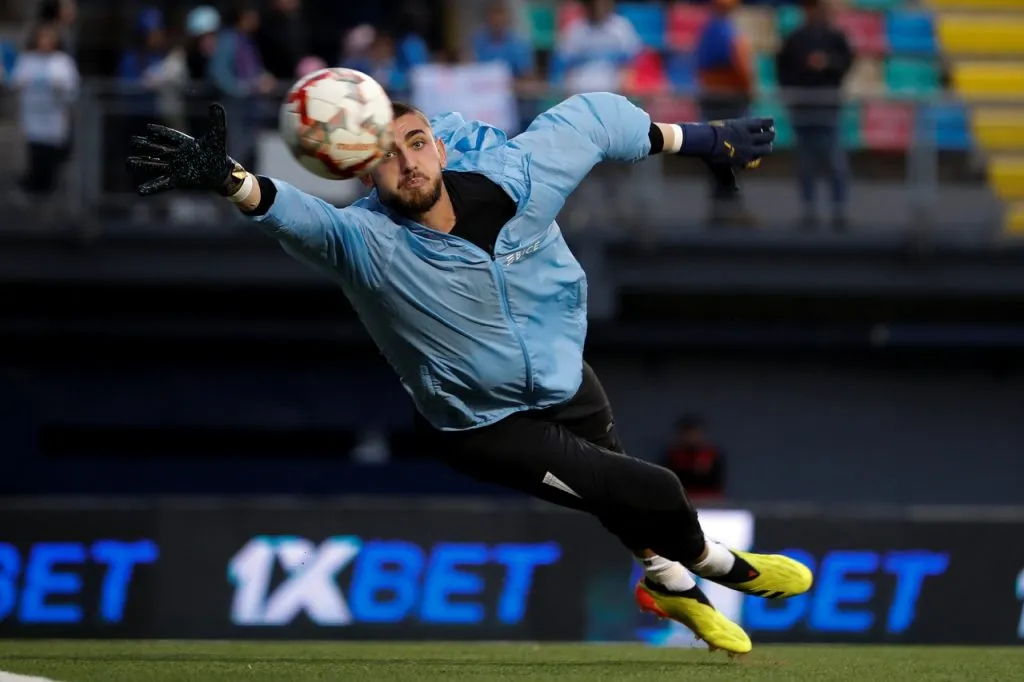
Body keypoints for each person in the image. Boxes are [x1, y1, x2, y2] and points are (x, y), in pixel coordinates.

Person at [127, 89, 808, 655]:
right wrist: (232, 180)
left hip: (563, 376)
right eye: (387, 156)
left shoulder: (522, 175)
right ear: (364, 174)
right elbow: (296, 218)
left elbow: (599, 119)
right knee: (647, 487)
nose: (407, 162)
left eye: (417, 143)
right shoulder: (366, 244)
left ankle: (664, 581)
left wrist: (702, 137)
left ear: (441, 146)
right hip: (481, 425)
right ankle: (726, 568)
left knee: (615, 488)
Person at [776, 0, 853, 230]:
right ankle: (808, 210)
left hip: (828, 109)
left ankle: (839, 210)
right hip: (803, 110)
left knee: (835, 162)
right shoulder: (795, 39)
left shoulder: (835, 37)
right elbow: (782, 70)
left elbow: (846, 62)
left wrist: (827, 63)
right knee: (805, 163)